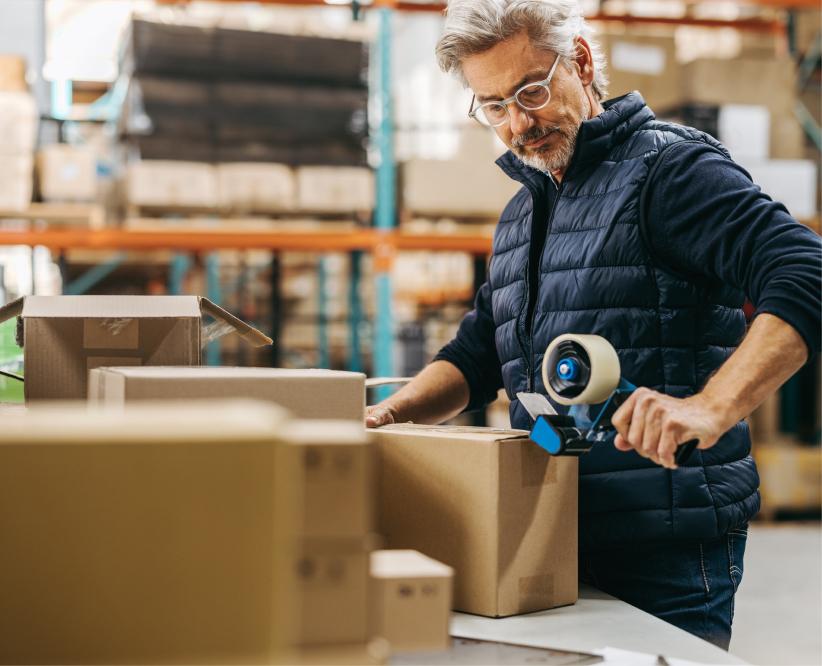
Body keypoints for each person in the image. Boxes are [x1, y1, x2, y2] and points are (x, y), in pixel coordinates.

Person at [366, 0, 822, 650]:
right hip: (550, 530)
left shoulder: (672, 172)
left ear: (580, 61)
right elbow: (479, 351)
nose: (518, 124)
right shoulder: (523, 212)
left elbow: (805, 269)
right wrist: (391, 413)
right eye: (492, 106)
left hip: (661, 546)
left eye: (530, 90)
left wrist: (710, 406)